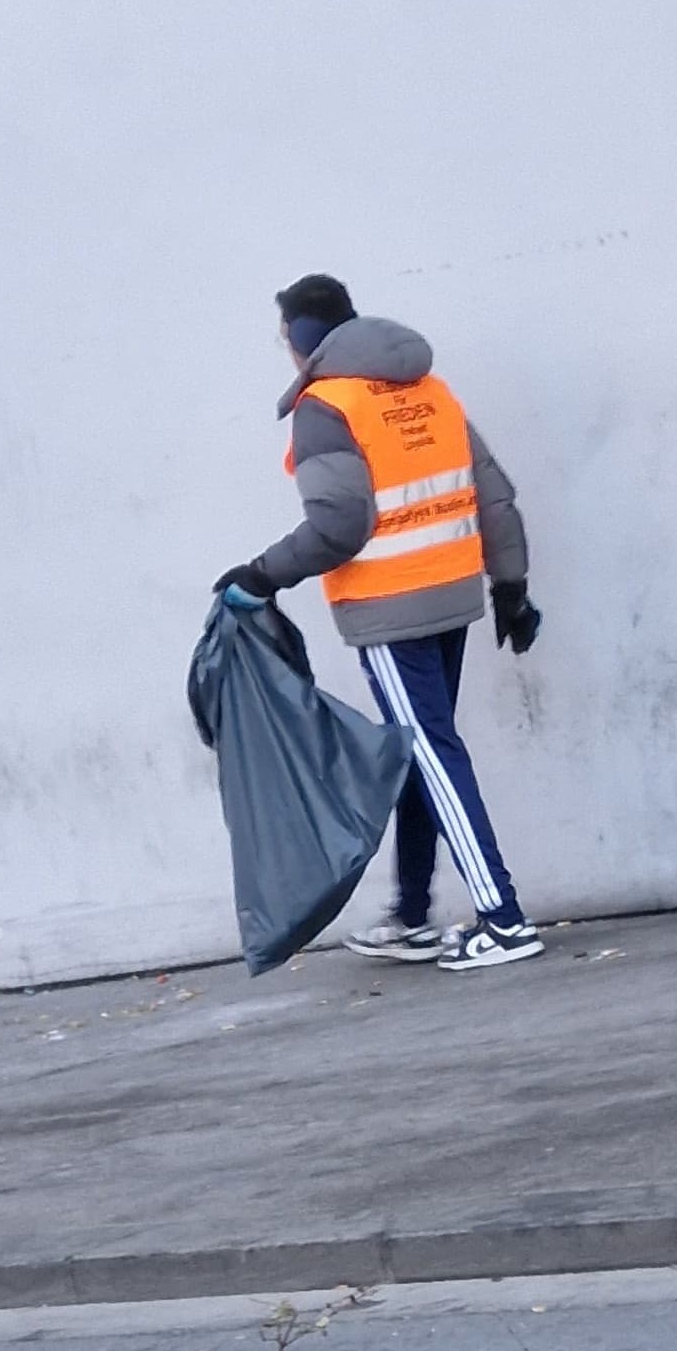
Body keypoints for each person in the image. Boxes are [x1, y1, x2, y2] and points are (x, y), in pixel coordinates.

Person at [216, 275, 546, 968]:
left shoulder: (326, 405)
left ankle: (503, 918)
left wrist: (262, 573)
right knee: (420, 746)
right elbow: (494, 494)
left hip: (390, 607)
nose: (285, 350)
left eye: (284, 337)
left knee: (428, 749)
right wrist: (510, 587)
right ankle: (413, 915)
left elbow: (340, 524)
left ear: (304, 337)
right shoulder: (429, 389)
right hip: (451, 595)